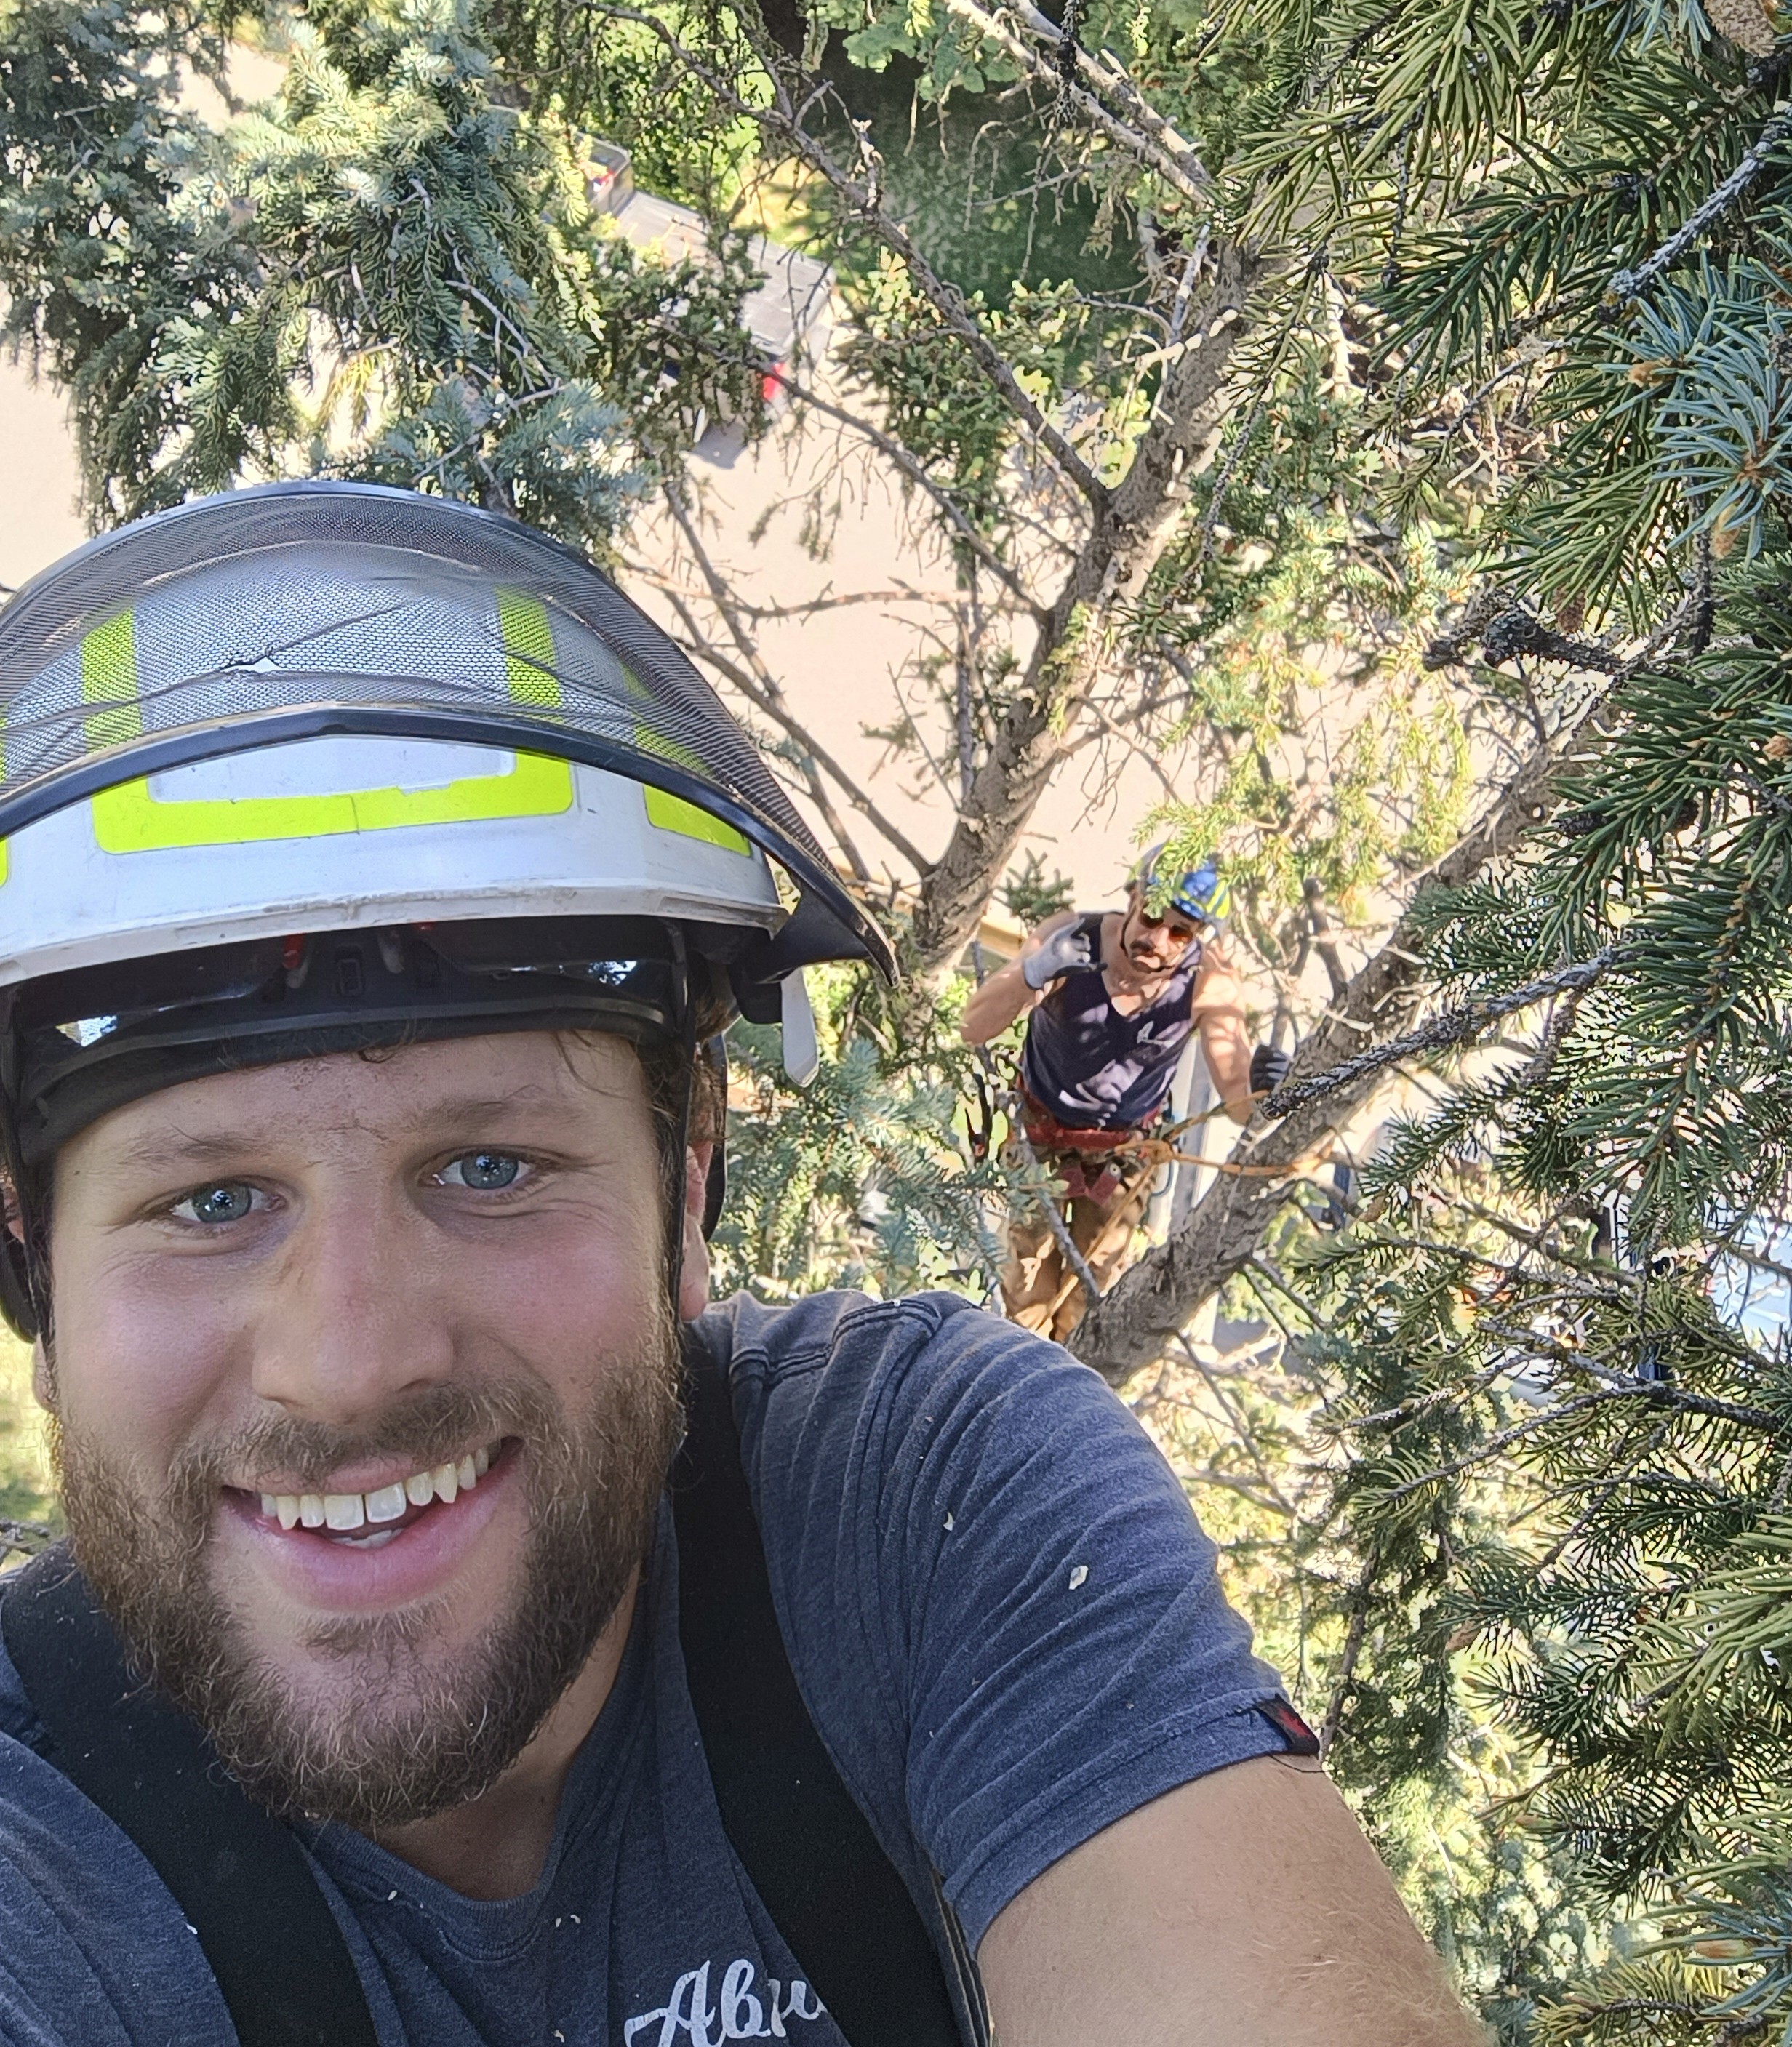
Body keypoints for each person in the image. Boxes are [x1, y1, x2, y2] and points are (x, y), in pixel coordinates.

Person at [0, 483, 1481, 2047]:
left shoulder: (919, 1507)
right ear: (30, 1263)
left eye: (490, 1165)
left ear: (687, 1190)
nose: (352, 1357)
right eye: (212, 1199)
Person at [960, 854, 1289, 1339]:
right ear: (1134, 897)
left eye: (1180, 932)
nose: (1156, 941)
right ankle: (1018, 1366)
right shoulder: (1072, 940)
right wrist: (1036, 972)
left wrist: (1268, 1091)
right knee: (1029, 1282)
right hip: (1041, 1134)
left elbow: (1238, 1100)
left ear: (1198, 936)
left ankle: (1066, 1376)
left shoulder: (1207, 983)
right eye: (1153, 916)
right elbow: (974, 1027)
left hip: (1123, 1156)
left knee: (1093, 1288)